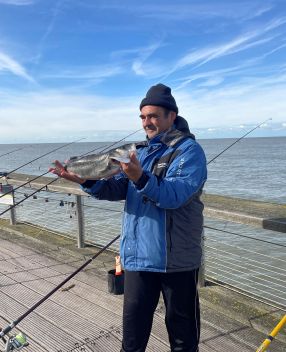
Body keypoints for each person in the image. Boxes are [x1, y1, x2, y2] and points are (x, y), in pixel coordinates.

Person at [49, 83, 207, 352]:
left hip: (177, 261)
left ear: (172, 115)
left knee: (183, 339)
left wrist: (140, 177)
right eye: (143, 117)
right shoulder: (139, 152)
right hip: (138, 258)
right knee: (132, 338)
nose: (148, 122)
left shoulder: (189, 151)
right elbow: (116, 187)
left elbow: (175, 195)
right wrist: (85, 180)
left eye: (154, 116)